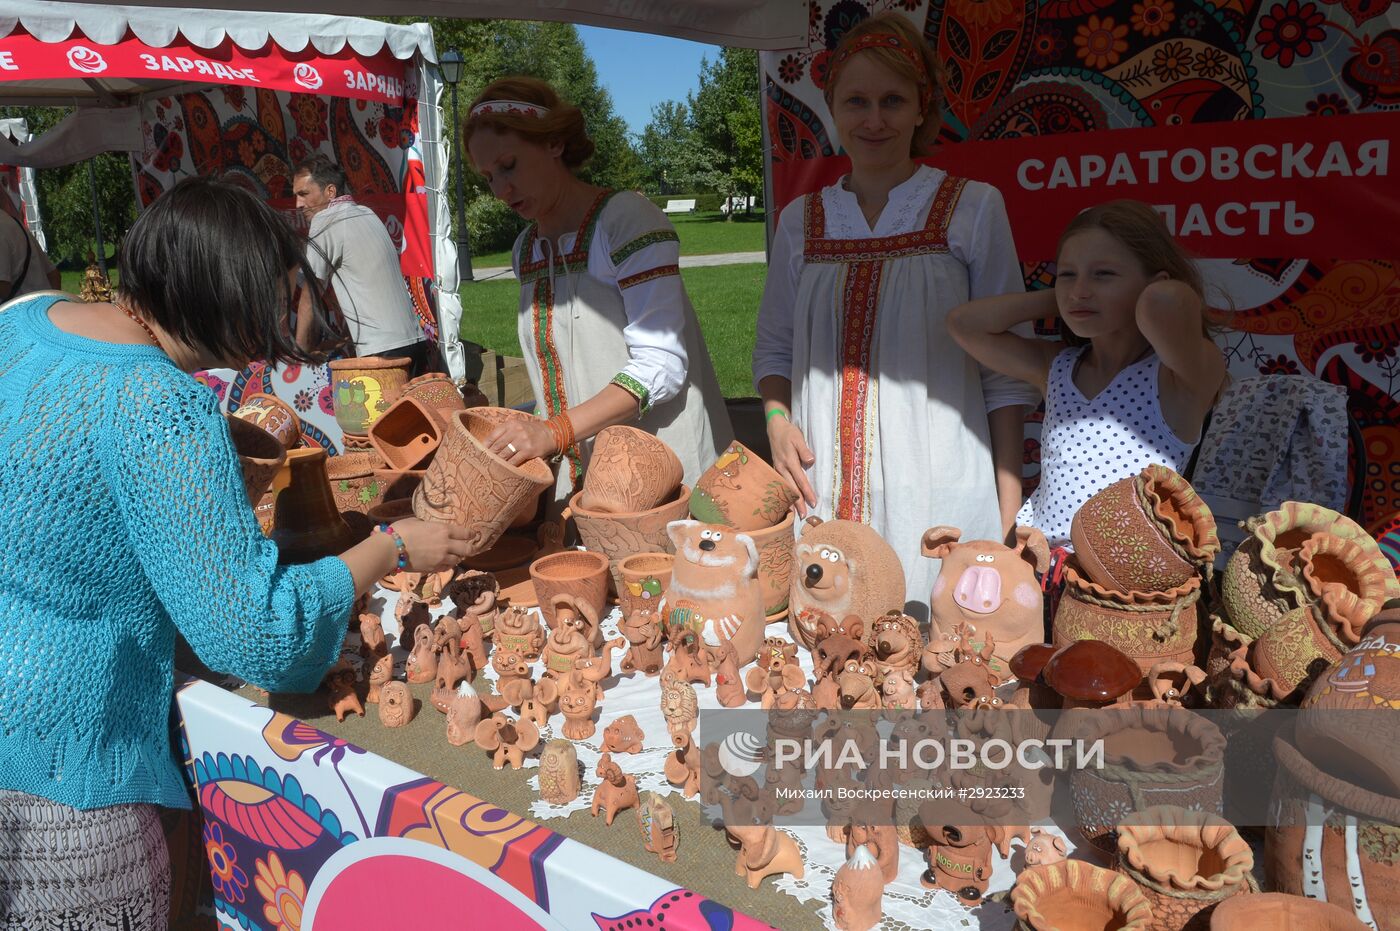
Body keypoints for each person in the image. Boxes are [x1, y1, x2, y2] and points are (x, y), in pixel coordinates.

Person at [0, 177, 478, 927]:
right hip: (65, 787)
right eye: (284, 297)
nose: (292, 320)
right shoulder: (157, 404)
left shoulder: (20, 321)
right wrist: (389, 545)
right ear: (232, 297)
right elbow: (257, 634)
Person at [753, 12, 1038, 615]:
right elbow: (774, 348)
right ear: (832, 106)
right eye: (856, 100)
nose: (874, 119)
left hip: (938, 487)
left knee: (942, 656)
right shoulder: (800, 222)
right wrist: (778, 422)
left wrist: (1007, 512)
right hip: (823, 479)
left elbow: (1007, 376)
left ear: (920, 108)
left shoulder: (973, 209)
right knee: (833, 659)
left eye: (892, 100)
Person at [464, 77, 732, 506]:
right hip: (584, 476)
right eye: (488, 176)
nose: (500, 190)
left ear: (553, 143)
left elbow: (662, 365)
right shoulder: (526, 250)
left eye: (509, 165)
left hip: (660, 469)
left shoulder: (626, 221)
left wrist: (554, 431)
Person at [947, 199, 1225, 598]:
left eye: (1104, 274)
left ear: (1153, 283)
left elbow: (1166, 303)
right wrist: (1064, 300)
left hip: (1118, 587)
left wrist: (1105, 294)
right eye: (1067, 275)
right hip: (1036, 572)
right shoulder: (1056, 366)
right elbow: (963, 324)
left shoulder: (1181, 379)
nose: (1080, 290)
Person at [293, 154, 433, 374]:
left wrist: (298, 354)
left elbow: (310, 295)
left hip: (382, 352)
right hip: (414, 340)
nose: (298, 204)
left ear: (330, 192)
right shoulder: (367, 213)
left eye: (304, 194)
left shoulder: (325, 220)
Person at [0, 208, 59, 301]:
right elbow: (53, 274)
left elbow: (3, 287)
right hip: (40, 308)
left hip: (20, 311)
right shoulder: (12, 222)